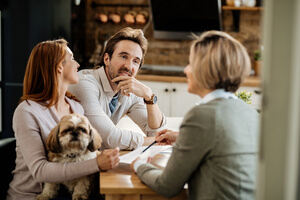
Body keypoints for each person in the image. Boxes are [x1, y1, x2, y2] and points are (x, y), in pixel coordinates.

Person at [131, 31, 259, 200]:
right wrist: (183, 137)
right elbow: (222, 142)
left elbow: (167, 185)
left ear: (206, 69)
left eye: (191, 63)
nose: (186, 70)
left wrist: (139, 165)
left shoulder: (202, 115)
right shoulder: (249, 112)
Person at [7, 39, 120, 200]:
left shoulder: (76, 107)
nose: (77, 64)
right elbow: (40, 171)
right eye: (72, 58)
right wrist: (96, 164)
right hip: (33, 196)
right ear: (59, 66)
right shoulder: (27, 111)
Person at [68, 27, 166, 150]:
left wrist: (149, 97)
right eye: (124, 56)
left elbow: (158, 131)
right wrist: (155, 141)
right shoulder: (84, 84)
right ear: (107, 59)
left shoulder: (130, 89)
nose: (128, 66)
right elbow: (109, 139)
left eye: (135, 61)